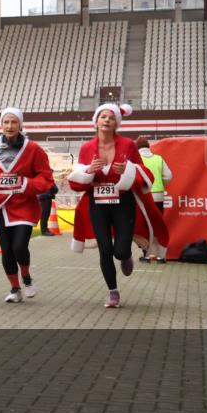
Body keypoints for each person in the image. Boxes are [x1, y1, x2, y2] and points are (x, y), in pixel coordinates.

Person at [68, 104, 169, 308]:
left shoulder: (128, 145)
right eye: (102, 117)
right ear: (96, 122)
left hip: (124, 203)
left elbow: (143, 172)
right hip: (97, 204)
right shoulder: (87, 148)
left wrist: (128, 169)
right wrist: (89, 170)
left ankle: (125, 256)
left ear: (116, 123)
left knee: (120, 251)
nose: (106, 120)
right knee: (104, 249)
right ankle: (113, 292)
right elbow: (77, 177)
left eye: (111, 118)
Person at [0, 108, 53, 303]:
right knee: (7, 250)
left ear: (20, 125)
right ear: (1, 125)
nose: (9, 126)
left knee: (19, 246)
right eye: (6, 122)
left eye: (14, 122)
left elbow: (46, 178)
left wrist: (25, 183)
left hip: (25, 205)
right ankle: (14, 288)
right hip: (2, 207)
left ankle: (26, 277)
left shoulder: (33, 148)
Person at [135, 136, 172, 262]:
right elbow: (168, 176)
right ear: (148, 147)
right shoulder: (158, 159)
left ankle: (147, 255)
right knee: (158, 226)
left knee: (145, 227)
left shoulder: (136, 160)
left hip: (144, 197)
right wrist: (160, 182)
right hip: (159, 196)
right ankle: (162, 256)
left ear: (137, 147)